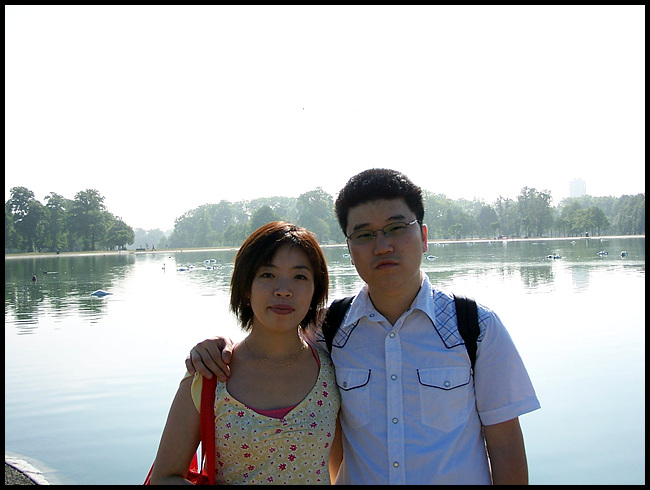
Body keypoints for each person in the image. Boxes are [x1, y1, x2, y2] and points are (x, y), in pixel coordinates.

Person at [186, 169, 541, 485]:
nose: (383, 246)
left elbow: (505, 445)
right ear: (349, 247)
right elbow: (272, 343)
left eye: (396, 228)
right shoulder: (329, 330)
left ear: (424, 236)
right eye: (365, 234)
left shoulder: (475, 328)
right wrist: (219, 345)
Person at [150, 221, 341, 485]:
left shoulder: (334, 371)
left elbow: (340, 471)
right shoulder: (209, 372)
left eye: (300, 277)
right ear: (246, 287)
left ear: (315, 291)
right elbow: (164, 477)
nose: (283, 290)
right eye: (267, 275)